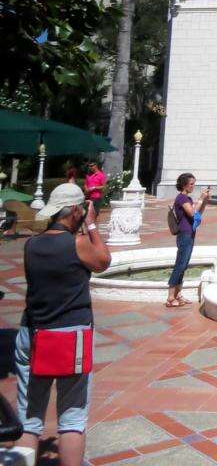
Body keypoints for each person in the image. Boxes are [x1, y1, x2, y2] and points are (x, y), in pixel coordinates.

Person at [14, 183, 110, 466]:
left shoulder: (31, 245)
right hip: (71, 337)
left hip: (33, 333)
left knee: (29, 419)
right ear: (77, 211)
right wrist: (91, 226)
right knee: (72, 418)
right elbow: (103, 260)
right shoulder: (78, 244)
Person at [167, 173, 209, 307]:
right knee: (180, 264)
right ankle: (170, 297)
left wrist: (205, 201)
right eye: (191, 184)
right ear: (184, 184)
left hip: (190, 233)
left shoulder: (188, 199)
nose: (193, 186)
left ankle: (178, 295)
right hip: (184, 234)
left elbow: (197, 214)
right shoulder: (181, 198)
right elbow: (191, 213)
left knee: (184, 265)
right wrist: (201, 199)